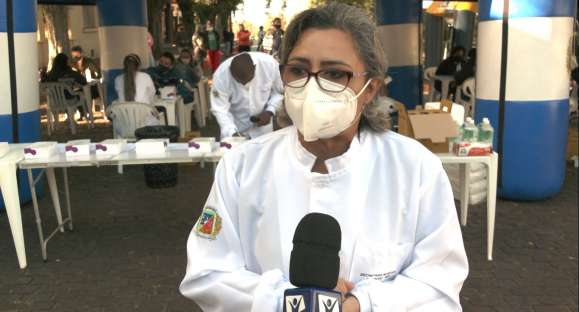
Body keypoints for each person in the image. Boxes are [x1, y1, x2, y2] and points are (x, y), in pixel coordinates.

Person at [180, 3, 468, 312]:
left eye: (334, 73)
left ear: (370, 88)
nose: (313, 85)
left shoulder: (415, 169)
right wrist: (288, 302)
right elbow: (208, 274)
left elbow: (439, 283)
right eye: (299, 70)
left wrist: (363, 304)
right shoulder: (242, 166)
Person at [209, 52, 283, 139]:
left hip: (262, 130)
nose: (244, 84)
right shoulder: (221, 77)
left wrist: (270, 111)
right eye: (239, 81)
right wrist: (232, 133)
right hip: (236, 127)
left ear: (255, 68)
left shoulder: (270, 65)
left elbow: (279, 91)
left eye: (248, 80)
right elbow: (220, 109)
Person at [113, 54, 162, 132]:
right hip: (145, 126)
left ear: (124, 66)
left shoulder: (117, 79)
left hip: (123, 127)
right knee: (158, 117)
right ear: (139, 66)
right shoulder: (146, 77)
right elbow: (152, 95)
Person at [43, 53, 88, 120]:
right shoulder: (69, 72)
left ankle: (72, 115)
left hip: (53, 101)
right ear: (66, 62)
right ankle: (84, 113)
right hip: (69, 100)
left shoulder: (50, 74)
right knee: (81, 93)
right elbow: (83, 81)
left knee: (70, 93)